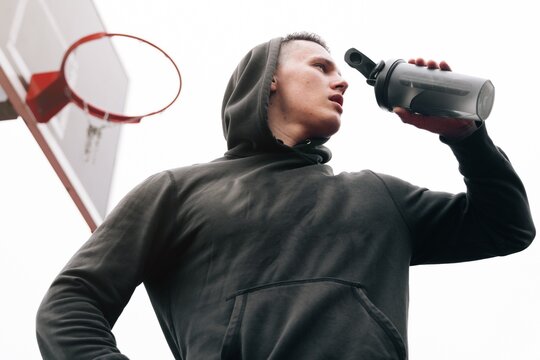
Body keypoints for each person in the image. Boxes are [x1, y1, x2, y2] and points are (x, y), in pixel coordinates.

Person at [36, 32, 535, 359]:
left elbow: (505, 226)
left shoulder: (378, 195)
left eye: (339, 71)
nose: (341, 81)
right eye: (320, 67)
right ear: (268, 80)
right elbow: (72, 302)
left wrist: (465, 136)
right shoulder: (177, 192)